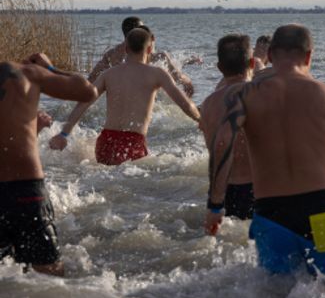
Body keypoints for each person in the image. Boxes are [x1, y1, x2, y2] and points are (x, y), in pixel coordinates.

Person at [204, 24, 325, 276]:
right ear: (309, 55)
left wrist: (215, 206)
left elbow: (222, 143)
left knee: (275, 290)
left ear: (271, 55)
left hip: (270, 214)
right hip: (322, 207)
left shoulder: (245, 95)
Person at [0, 53, 98, 276]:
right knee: (50, 275)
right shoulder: (25, 74)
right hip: (25, 190)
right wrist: (50, 68)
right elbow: (88, 91)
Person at [48, 28, 200, 165]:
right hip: (133, 143)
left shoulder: (108, 74)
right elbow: (185, 104)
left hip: (105, 142)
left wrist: (63, 134)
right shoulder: (157, 74)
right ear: (149, 50)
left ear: (126, 49)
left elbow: (84, 103)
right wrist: (202, 120)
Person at [199, 34, 255, 220]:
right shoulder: (264, 96)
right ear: (253, 63)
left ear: (219, 68)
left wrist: (213, 205)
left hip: (223, 191)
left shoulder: (208, 105)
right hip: (260, 188)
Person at [87, 16, 195, 97]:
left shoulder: (111, 54)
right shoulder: (155, 55)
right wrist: (188, 83)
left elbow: (91, 80)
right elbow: (179, 79)